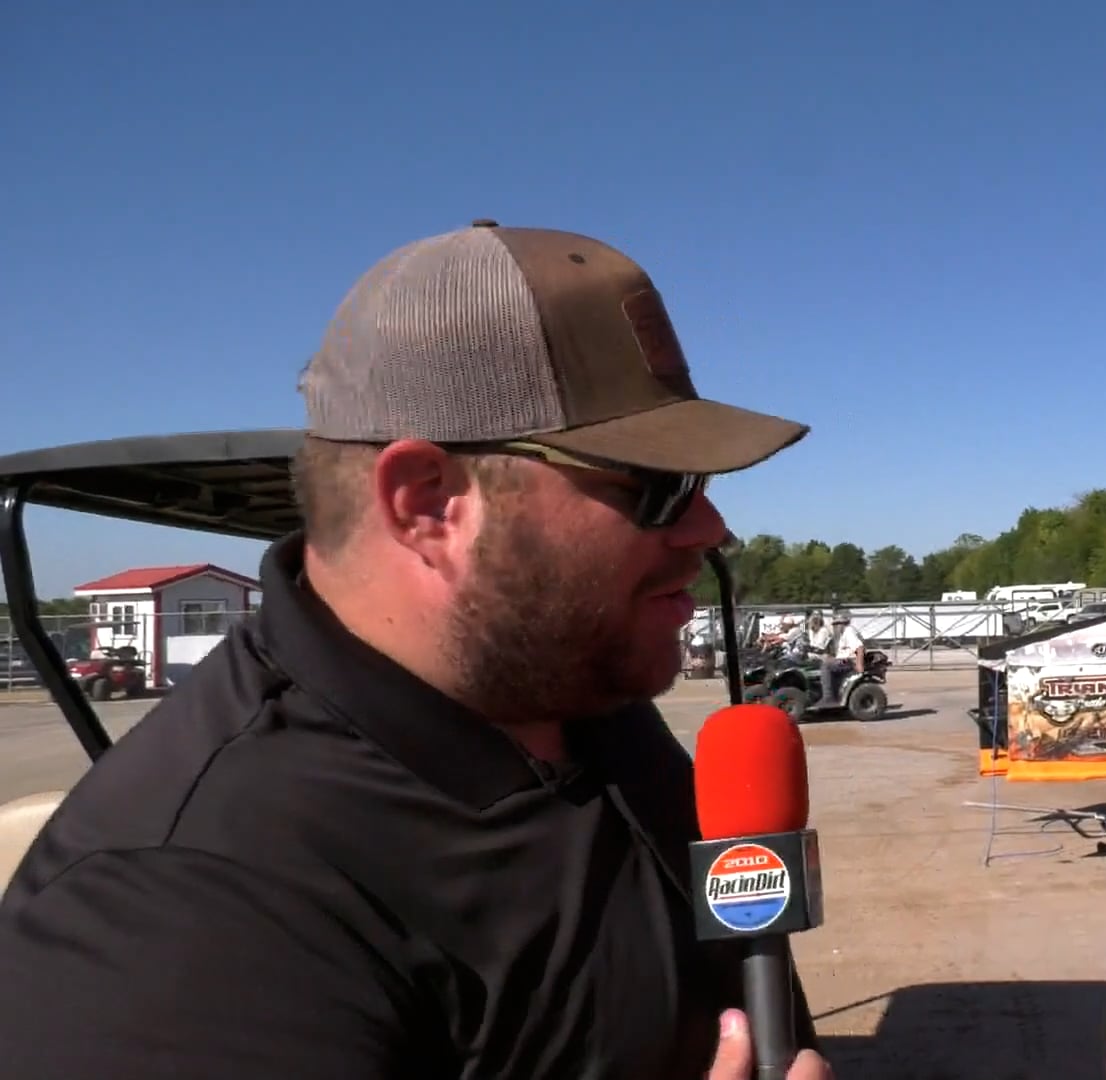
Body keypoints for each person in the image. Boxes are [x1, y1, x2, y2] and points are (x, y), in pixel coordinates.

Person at [0, 220, 834, 1080]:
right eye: (658, 487)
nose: (712, 526)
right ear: (428, 502)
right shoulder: (177, 918)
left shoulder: (573, 685)